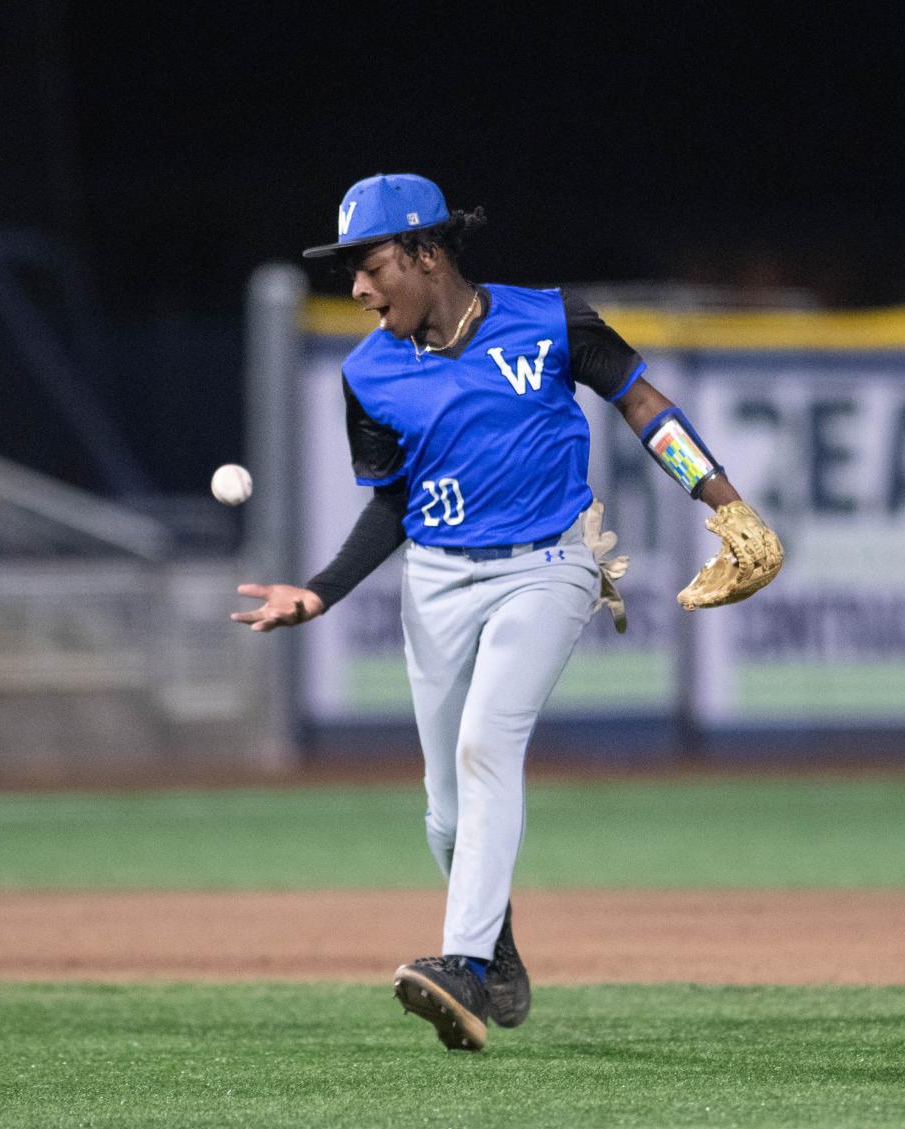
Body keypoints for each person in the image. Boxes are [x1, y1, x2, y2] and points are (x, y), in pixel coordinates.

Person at [230, 173, 783, 1052]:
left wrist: (724, 501)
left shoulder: (552, 318)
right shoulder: (367, 370)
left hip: (553, 566)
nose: (359, 288)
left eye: (370, 265)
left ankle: (461, 964)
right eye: (350, 273)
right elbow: (391, 505)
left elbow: (644, 404)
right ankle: (496, 945)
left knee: (489, 742)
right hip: (437, 581)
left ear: (425, 249)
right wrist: (320, 590)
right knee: (445, 811)